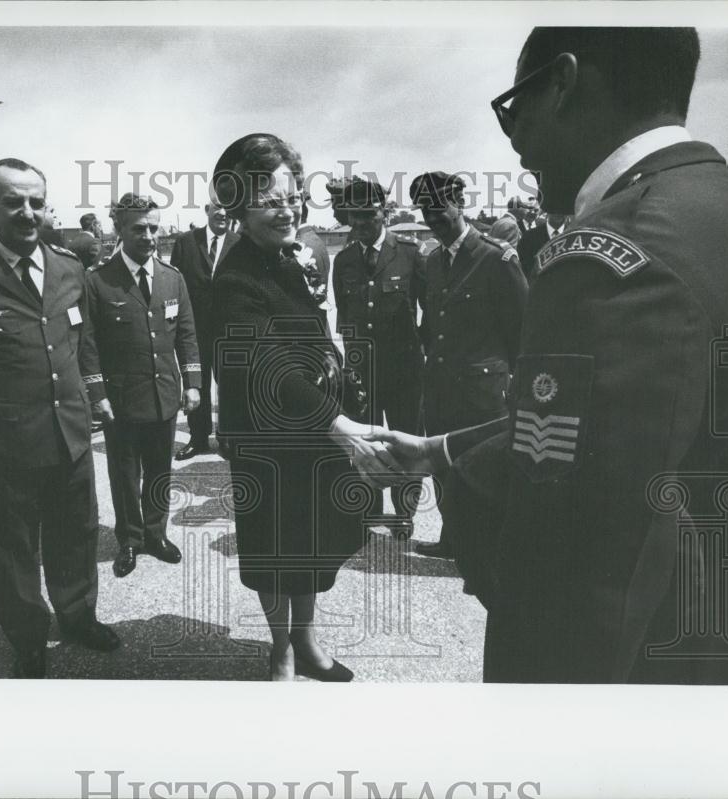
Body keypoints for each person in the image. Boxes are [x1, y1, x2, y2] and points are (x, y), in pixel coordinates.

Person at [372, 27, 728, 685]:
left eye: (514, 110)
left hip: (640, 674)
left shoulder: (607, 250)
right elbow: (621, 428)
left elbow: (562, 567)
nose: (517, 141)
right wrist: (439, 450)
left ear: (561, 84)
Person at [210, 133, 400, 681]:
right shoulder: (236, 276)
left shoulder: (288, 254)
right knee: (274, 547)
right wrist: (341, 427)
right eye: (271, 202)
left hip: (311, 430)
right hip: (269, 437)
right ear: (238, 207)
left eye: (293, 199)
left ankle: (307, 640)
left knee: (310, 542)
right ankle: (281, 650)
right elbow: (269, 369)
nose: (287, 210)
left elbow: (314, 337)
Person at [0, 158, 120, 678]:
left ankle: (78, 615)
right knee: (11, 547)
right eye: (13, 202)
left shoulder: (69, 269)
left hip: (69, 433)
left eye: (36, 201)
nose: (28, 213)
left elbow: (83, 343)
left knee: (75, 534)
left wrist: (88, 400)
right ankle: (27, 636)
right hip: (3, 442)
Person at [408, 171, 527, 558]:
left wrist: (515, 386)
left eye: (440, 207)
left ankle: (489, 550)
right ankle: (453, 540)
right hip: (442, 387)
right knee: (443, 465)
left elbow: (522, 331)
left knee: (482, 472)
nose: (433, 217)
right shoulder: (434, 261)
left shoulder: (495, 258)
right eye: (426, 210)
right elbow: (434, 323)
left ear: (460, 204)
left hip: (481, 392)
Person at [84, 193, 201, 578]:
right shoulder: (98, 281)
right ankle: (129, 540)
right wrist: (98, 395)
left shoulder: (172, 278)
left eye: (154, 228)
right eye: (139, 229)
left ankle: (156, 534)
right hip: (121, 400)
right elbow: (89, 345)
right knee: (124, 474)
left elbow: (186, 334)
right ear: (118, 230)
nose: (149, 236)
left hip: (164, 394)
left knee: (159, 472)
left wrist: (194, 383)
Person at [329, 176, 426, 536]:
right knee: (366, 441)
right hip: (362, 371)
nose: (361, 224)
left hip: (404, 369)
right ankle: (369, 509)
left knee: (405, 440)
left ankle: (404, 511)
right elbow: (345, 318)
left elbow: (427, 312)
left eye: (368, 215)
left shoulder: (411, 253)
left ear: (384, 213)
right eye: (354, 217)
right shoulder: (345, 262)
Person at [169, 200, 239, 459]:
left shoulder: (241, 243)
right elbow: (174, 285)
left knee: (230, 385)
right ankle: (198, 438)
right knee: (196, 383)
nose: (223, 212)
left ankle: (228, 437)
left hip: (229, 332)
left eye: (229, 208)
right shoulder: (185, 242)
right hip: (195, 331)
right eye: (218, 207)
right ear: (207, 209)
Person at [516, 211, 568, 282]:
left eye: (562, 208)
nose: (558, 212)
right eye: (554, 208)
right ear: (547, 210)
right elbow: (523, 270)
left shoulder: (575, 236)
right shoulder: (529, 237)